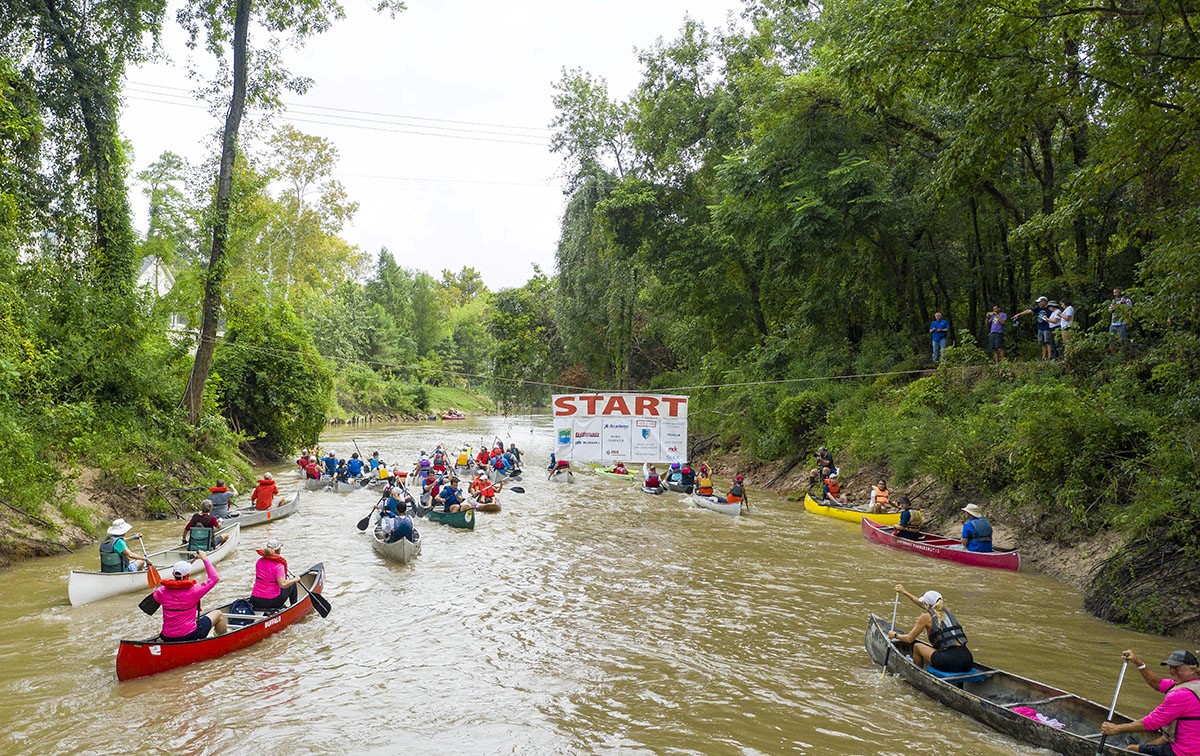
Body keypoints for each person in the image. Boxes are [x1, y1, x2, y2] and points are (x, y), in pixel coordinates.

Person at [1100, 649, 1200, 754]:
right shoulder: (1193, 684)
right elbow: (1158, 683)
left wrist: (1116, 729)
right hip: (1188, 742)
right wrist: (1138, 663)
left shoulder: (1182, 694)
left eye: (1176, 668)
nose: (1171, 671)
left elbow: (1151, 722)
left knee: (1131, 749)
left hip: (1185, 751)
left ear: (1192, 669)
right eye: (1170, 667)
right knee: (1153, 743)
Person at [888, 584, 973, 672]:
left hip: (948, 661)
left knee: (917, 647)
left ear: (926, 604)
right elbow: (922, 604)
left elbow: (909, 639)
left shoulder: (925, 617)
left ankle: (917, 674)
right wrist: (904, 592)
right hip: (967, 660)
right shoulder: (947, 610)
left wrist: (895, 635)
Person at [153, 551, 227, 641]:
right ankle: (221, 640)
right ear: (188, 575)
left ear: (173, 574)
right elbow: (214, 578)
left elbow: (156, 594)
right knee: (218, 614)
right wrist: (204, 558)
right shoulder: (194, 591)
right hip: (190, 635)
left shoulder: (161, 592)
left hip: (167, 636)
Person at [249, 539, 301, 611]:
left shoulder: (259, 561)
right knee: (292, 584)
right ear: (278, 550)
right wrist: (296, 579)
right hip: (272, 601)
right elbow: (283, 584)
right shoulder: (279, 566)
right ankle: (294, 607)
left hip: (256, 600)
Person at [1013, 296, 1055, 360]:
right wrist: (1019, 314)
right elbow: (1029, 311)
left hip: (1047, 327)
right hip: (1040, 327)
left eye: (1040, 302)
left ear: (1044, 302)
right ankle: (1044, 357)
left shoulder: (1049, 308)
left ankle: (1050, 356)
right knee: (1042, 343)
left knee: (1048, 342)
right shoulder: (1038, 308)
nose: (1039, 304)